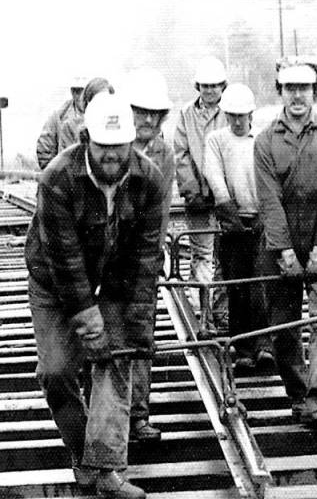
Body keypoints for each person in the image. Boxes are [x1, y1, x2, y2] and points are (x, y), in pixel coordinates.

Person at [25, 92, 165, 499]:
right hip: (53, 279)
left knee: (115, 359)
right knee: (55, 371)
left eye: (118, 147)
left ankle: (106, 472)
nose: (111, 156)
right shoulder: (57, 178)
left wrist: (136, 331)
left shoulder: (149, 179)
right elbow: (65, 261)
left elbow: (144, 259)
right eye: (103, 147)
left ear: (130, 143)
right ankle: (82, 451)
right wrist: (89, 324)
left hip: (113, 278)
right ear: (86, 138)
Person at [254, 60, 317, 430]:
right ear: (280, 91)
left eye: (304, 88)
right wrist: (284, 251)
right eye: (289, 88)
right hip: (279, 245)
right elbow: (269, 199)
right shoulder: (265, 141)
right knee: (283, 326)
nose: (297, 95)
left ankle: (316, 395)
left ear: (315, 92)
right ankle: (297, 393)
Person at [203, 83, 274, 376]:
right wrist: (228, 212)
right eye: (231, 115)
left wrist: (265, 213)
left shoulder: (263, 139)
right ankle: (243, 349)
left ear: (251, 114)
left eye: (241, 116)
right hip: (232, 222)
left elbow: (270, 175)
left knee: (263, 283)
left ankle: (265, 345)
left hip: (261, 219)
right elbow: (214, 175)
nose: (236, 121)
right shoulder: (216, 140)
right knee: (237, 287)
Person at [125, 68, 176, 445]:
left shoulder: (164, 153)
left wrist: (153, 257)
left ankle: (139, 415)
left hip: (143, 259)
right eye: (140, 111)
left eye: (153, 113)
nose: (146, 119)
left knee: (142, 335)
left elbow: (161, 211)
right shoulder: (110, 145)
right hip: (106, 259)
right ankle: (106, 415)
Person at [173, 56, 229, 334]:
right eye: (205, 86)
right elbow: (181, 153)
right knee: (202, 257)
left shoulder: (230, 111)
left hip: (227, 198)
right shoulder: (186, 114)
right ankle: (205, 317)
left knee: (225, 257)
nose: (209, 91)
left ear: (223, 87)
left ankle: (222, 313)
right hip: (198, 198)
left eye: (214, 86)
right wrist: (192, 189)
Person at [37, 75, 90, 170]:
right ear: (72, 93)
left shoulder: (100, 114)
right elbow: (44, 149)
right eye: (77, 91)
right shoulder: (59, 116)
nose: (81, 97)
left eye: (85, 92)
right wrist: (56, 174)